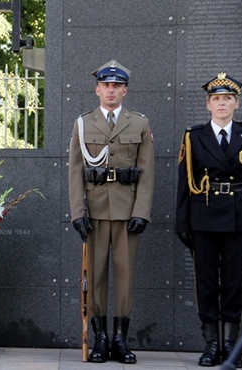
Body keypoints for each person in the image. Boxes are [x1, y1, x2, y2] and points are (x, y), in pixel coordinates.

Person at [68, 60, 155, 364]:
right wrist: (77, 212)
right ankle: (100, 339)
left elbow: (146, 171)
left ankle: (120, 339)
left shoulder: (139, 124)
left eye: (117, 86)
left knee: (125, 277)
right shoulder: (83, 124)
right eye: (106, 85)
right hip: (94, 211)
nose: (111, 90)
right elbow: (76, 171)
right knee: (96, 277)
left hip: (127, 210)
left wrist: (142, 211)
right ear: (97, 89)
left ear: (125, 91)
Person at [176, 73, 242, 368]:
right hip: (204, 216)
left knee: (233, 282)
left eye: (227, 99)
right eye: (216, 99)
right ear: (208, 105)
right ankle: (211, 344)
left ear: (236, 103)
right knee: (206, 282)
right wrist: (182, 222)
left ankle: (230, 346)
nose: (222, 103)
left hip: (239, 217)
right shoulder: (194, 137)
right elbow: (184, 181)